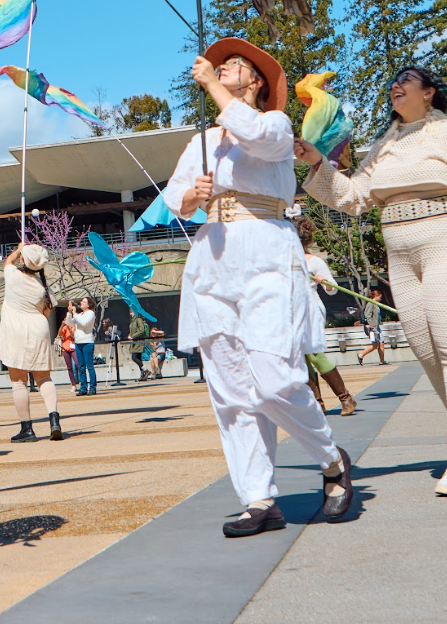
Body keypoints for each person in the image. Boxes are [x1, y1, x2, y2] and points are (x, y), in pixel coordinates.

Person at [165, 40, 352, 537]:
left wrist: (209, 84)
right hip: (214, 259)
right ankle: (258, 498)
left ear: (257, 83)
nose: (223, 65)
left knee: (274, 377)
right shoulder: (205, 138)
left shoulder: (275, 124)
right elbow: (173, 195)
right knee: (231, 392)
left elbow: (255, 138)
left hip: (267, 254)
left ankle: (332, 458)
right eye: (219, 63)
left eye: (235, 64)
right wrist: (192, 195)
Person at [299, 64, 447, 497]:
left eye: (406, 81)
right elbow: (353, 197)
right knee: (426, 349)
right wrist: (317, 161)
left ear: (429, 92)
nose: (395, 86)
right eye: (393, 81)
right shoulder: (383, 145)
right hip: (399, 248)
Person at [0, 245, 63, 443]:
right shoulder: (42, 287)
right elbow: (47, 312)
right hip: (38, 327)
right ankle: (54, 419)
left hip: (16, 329)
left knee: (18, 381)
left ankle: (27, 428)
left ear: (23, 261)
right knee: (43, 377)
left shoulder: (13, 276)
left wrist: (18, 249)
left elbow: (7, 262)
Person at [295, 219, 359, 417]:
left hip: (310, 309)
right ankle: (317, 404)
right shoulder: (283, 261)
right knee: (301, 358)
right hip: (291, 312)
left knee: (314, 354)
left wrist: (324, 282)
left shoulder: (315, 262)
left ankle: (346, 398)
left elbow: (331, 290)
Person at [71, 296, 98, 395]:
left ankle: (92, 387)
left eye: (83, 302)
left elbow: (84, 323)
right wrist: (70, 314)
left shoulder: (90, 313)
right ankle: (83, 387)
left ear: (88, 304)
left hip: (87, 342)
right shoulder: (80, 314)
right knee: (81, 366)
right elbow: (70, 323)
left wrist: (75, 314)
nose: (81, 303)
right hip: (78, 342)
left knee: (89, 366)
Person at [356, 288, 388, 365]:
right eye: (379, 297)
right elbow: (367, 315)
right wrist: (370, 325)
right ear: (376, 296)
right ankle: (361, 355)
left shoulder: (375, 304)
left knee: (381, 343)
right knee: (376, 344)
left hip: (376, 326)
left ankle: (382, 360)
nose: (380, 298)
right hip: (372, 327)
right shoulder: (371, 304)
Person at [57, 312, 78, 389]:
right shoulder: (64, 327)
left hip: (73, 347)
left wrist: (69, 327)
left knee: (78, 364)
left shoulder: (74, 326)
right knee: (69, 367)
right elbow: (60, 334)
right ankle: (73, 385)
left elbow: (73, 336)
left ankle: (82, 382)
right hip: (65, 347)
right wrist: (62, 325)